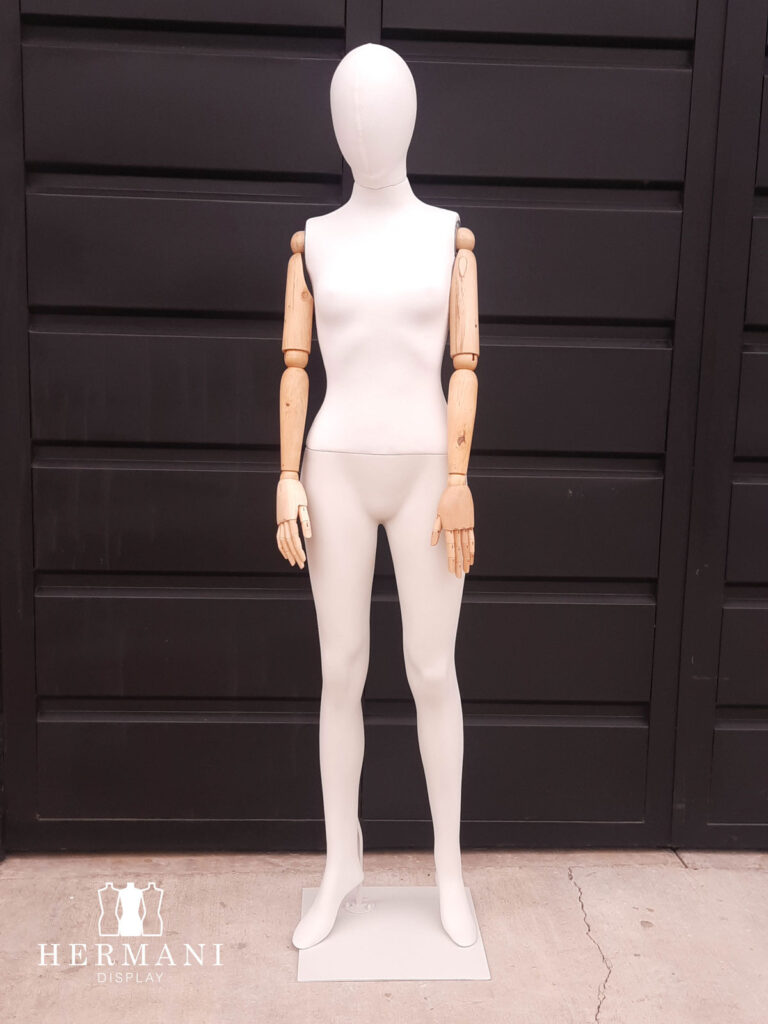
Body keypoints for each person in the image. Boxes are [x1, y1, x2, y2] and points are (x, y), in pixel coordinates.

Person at [275, 42, 479, 950]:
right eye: (349, 113)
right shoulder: (313, 241)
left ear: (410, 119)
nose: (364, 127)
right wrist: (286, 475)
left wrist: (460, 480)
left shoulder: (449, 237)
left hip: (429, 467)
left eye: (380, 109)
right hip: (334, 466)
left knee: (432, 670)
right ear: (334, 126)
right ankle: (340, 863)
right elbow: (294, 364)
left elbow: (466, 364)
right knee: (341, 670)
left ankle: (448, 871)